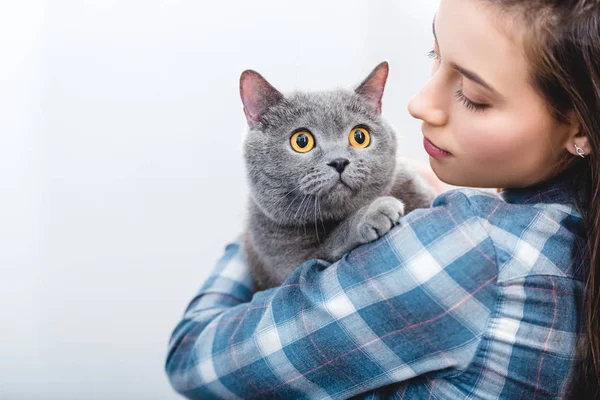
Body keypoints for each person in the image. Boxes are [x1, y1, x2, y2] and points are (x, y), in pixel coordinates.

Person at [165, 0, 600, 398]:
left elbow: (190, 360)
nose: (418, 103)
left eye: (473, 95)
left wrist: (263, 221)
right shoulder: (567, 223)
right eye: (436, 56)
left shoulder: (467, 248)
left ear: (579, 125)